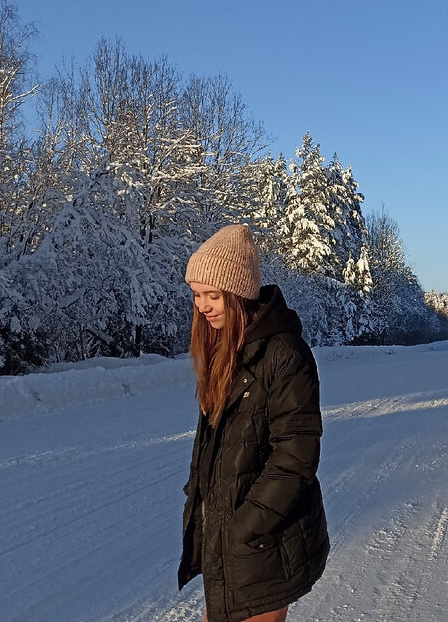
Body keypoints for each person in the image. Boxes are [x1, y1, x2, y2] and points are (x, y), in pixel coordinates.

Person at [177, 224, 329, 622]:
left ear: (238, 293)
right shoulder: (224, 349)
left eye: (213, 295)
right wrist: (200, 498)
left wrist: (245, 526)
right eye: (197, 294)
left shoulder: (284, 353)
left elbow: (295, 455)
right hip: (230, 541)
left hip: (265, 541)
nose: (203, 306)